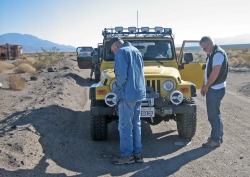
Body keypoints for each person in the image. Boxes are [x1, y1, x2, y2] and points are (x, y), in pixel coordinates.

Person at [110, 37, 146, 165]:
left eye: (112, 50)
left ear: (115, 46)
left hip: (127, 94)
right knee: (136, 124)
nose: (114, 52)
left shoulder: (121, 52)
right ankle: (138, 155)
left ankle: (127, 156)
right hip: (138, 93)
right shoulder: (136, 51)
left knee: (125, 126)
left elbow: (121, 76)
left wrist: (115, 87)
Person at [199, 36, 228, 148]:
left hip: (215, 89)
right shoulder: (212, 54)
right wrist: (203, 85)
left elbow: (215, 73)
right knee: (215, 114)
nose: (203, 50)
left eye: (204, 48)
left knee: (213, 115)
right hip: (214, 88)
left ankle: (216, 140)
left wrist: (206, 87)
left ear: (210, 44)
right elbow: (207, 72)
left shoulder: (218, 54)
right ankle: (217, 136)